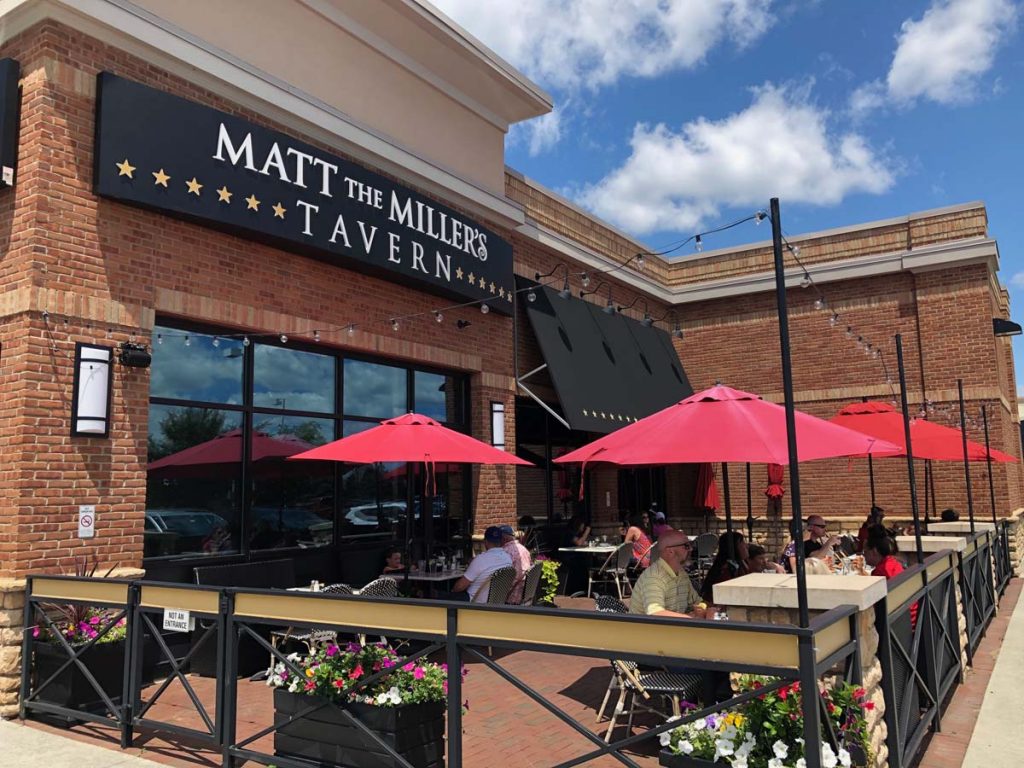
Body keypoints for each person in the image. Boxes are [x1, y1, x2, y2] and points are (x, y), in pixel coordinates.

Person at [630, 530, 712, 618]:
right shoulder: (654, 577)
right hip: (648, 630)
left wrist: (705, 610)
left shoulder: (681, 573)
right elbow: (656, 613)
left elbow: (697, 602)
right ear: (670, 552)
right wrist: (692, 618)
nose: (691, 549)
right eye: (686, 546)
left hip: (672, 629)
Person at [451, 526, 513, 602]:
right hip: (495, 601)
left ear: (485, 542)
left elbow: (459, 587)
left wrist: (452, 590)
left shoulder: (481, 559)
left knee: (440, 596)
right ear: (501, 541)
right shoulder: (508, 558)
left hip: (474, 601)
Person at [699, 531, 750, 602]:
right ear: (733, 547)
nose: (746, 546)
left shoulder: (741, 564)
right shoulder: (727, 569)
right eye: (742, 543)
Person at [501, 524, 532, 604]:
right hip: (524, 594)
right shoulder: (524, 549)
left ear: (503, 539)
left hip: (510, 597)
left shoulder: (505, 552)